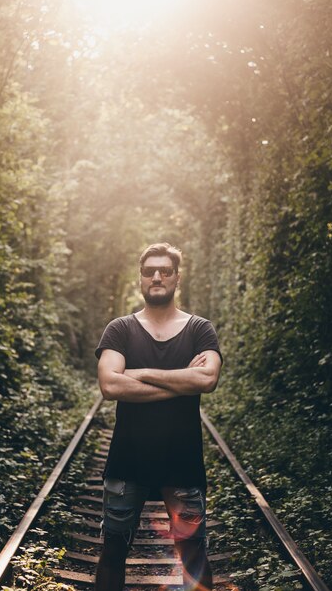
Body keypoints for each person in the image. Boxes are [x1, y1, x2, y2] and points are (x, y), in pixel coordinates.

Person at [94, 242, 222, 591]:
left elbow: (207, 379)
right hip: (127, 461)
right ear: (140, 278)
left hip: (182, 461)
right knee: (113, 552)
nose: (157, 276)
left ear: (177, 277)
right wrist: (182, 381)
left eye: (165, 270)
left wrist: (138, 373)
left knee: (193, 553)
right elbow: (109, 385)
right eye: (150, 270)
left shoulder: (200, 329)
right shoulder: (119, 329)